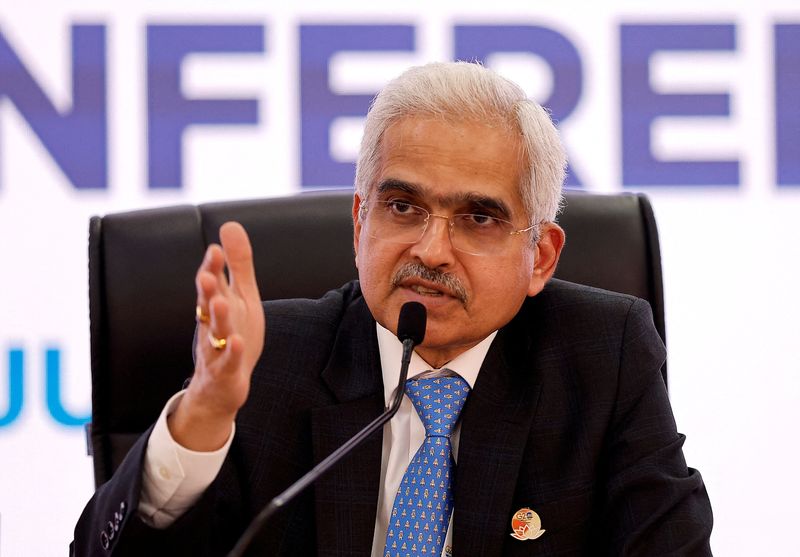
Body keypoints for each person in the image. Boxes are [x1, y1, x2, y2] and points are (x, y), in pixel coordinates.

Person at [72, 61, 713, 556]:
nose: (431, 251)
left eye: (479, 218)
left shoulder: (604, 357)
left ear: (540, 257)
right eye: (403, 207)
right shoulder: (269, 364)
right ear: (359, 224)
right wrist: (200, 420)